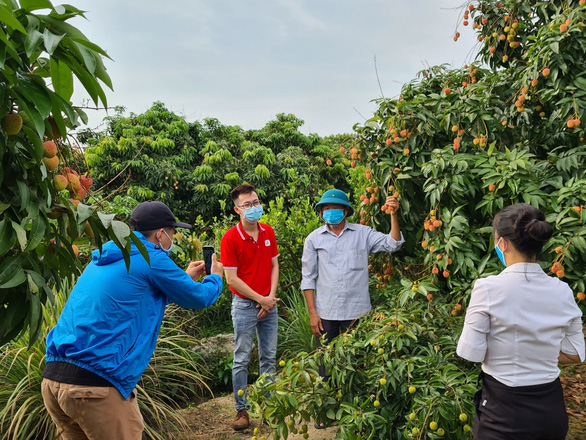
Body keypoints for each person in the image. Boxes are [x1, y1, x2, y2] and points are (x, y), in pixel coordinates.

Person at [41, 201, 224, 440]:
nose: (173, 239)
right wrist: (217, 278)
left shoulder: (111, 254)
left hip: (55, 382)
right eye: (172, 233)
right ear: (160, 234)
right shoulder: (152, 258)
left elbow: (137, 302)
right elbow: (200, 297)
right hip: (95, 386)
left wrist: (185, 278)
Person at [457, 203, 585, 440]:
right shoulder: (563, 291)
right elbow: (577, 353)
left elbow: (470, 352)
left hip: (502, 412)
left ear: (502, 243)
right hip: (550, 410)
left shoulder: (486, 288)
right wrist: (540, 349)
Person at [301, 188, 404, 427]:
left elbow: (393, 244)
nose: (330, 212)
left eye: (334, 208)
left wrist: (393, 215)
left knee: (356, 363)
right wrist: (312, 313)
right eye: (325, 209)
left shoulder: (362, 234)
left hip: (357, 312)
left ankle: (354, 411)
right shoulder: (314, 239)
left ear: (346, 210)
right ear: (321, 212)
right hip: (325, 313)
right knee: (325, 364)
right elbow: (308, 278)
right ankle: (325, 411)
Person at [220, 184, 279, 431]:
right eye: (247, 205)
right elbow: (231, 279)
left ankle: (268, 406)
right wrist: (260, 299)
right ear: (237, 210)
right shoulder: (230, 238)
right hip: (245, 306)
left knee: (269, 357)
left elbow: (275, 266)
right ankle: (241, 410)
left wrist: (270, 297)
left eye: (256, 202)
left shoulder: (268, 232)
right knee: (242, 358)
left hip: (269, 303)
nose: (254, 207)